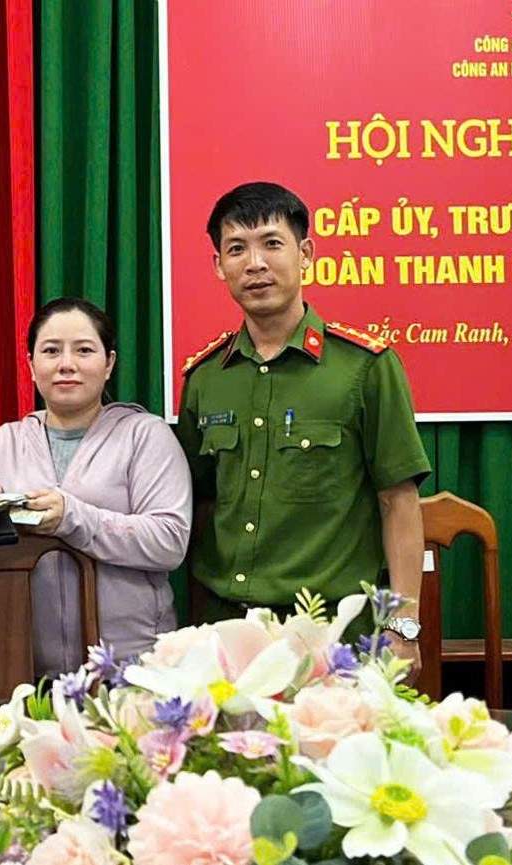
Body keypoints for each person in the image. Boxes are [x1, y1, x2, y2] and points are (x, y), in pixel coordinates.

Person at [176, 181, 430, 673]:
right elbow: (202, 506)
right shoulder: (205, 379)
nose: (255, 263)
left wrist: (402, 627)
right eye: (236, 249)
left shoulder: (364, 368)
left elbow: (398, 502)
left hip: (333, 638)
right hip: (229, 638)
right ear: (218, 266)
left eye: (272, 243)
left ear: (305, 252)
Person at [0, 297, 192, 675]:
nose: (66, 364)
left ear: (109, 364)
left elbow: (169, 541)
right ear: (31, 366)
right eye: (51, 351)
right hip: (25, 674)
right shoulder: (2, 444)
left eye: (84, 350)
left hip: (133, 672)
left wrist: (73, 517)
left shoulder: (145, 436)